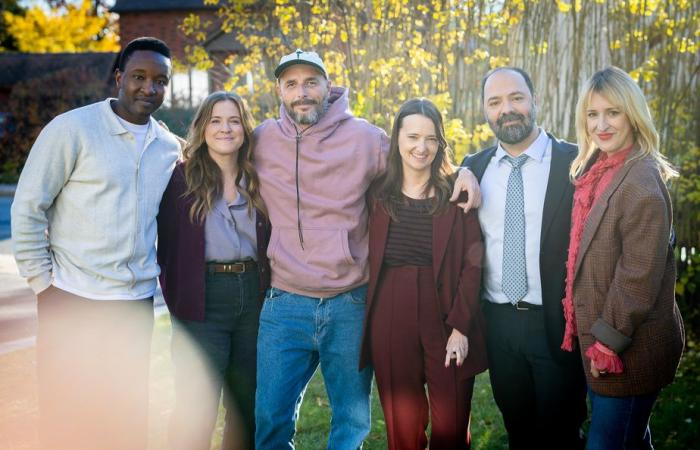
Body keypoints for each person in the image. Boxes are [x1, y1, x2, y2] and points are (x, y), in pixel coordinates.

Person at [253, 49, 481, 449]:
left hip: (349, 302)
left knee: (352, 420)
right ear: (279, 90)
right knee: (270, 418)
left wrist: (465, 172)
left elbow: (419, 155)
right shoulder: (262, 140)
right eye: (292, 84)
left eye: (311, 82)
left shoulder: (366, 138)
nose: (302, 92)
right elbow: (216, 156)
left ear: (328, 85)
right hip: (285, 303)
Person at [11, 37, 179, 450]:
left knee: (125, 417)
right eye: (139, 77)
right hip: (70, 297)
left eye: (160, 80)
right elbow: (29, 207)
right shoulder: (72, 129)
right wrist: (42, 285)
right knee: (66, 415)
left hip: (133, 304)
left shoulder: (170, 148)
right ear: (119, 78)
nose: (148, 88)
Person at [461, 67, 587, 449]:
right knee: (518, 429)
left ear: (535, 100)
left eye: (516, 97)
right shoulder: (475, 167)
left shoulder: (577, 163)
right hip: (498, 324)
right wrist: (460, 170)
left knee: (560, 434)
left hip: (556, 324)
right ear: (484, 111)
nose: (507, 109)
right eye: (495, 102)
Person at [560, 66, 684, 450]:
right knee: (631, 439)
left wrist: (607, 344)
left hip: (626, 349)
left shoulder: (641, 181)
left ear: (632, 113)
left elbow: (637, 277)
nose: (602, 125)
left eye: (612, 113)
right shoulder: (599, 171)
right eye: (593, 115)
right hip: (603, 340)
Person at [359, 98, 487, 450]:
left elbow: (472, 263)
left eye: (431, 139)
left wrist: (460, 327)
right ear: (397, 138)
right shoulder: (377, 194)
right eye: (413, 136)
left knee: (451, 424)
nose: (421, 147)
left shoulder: (456, 194)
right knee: (403, 424)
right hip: (390, 309)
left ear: (440, 142)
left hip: (445, 311)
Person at [157, 91, 270, 450]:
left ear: (245, 128)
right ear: (202, 128)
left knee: (246, 403)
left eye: (234, 120)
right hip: (201, 298)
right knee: (197, 404)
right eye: (216, 121)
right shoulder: (179, 178)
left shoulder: (260, 177)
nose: (225, 128)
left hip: (253, 295)